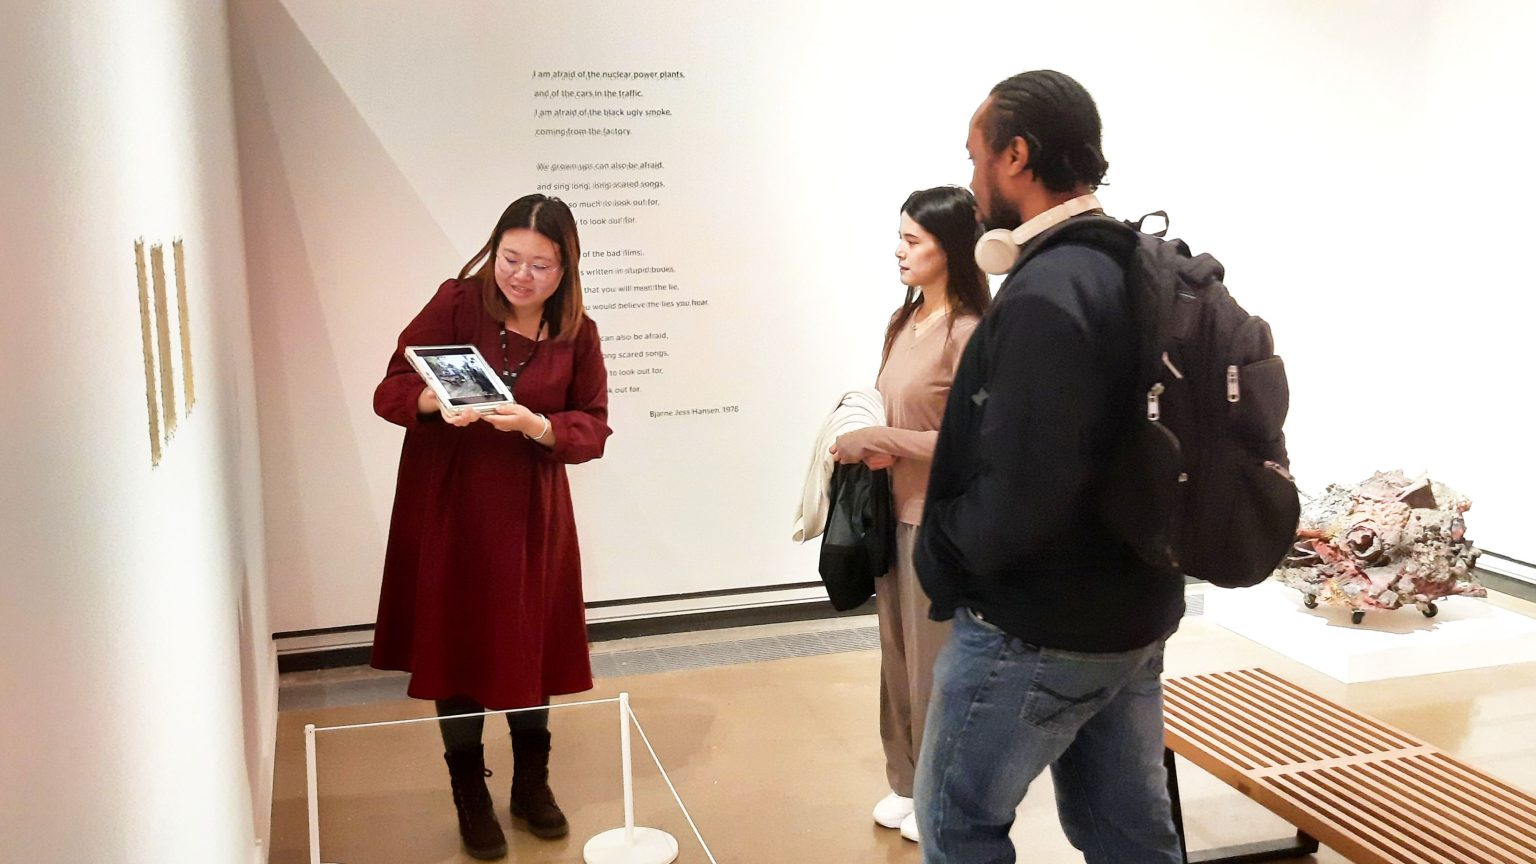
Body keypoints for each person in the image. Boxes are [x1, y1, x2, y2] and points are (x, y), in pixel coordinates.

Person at [912, 71, 1185, 863]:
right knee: (1129, 835)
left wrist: (946, 552)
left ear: (1017, 156)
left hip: (1034, 627)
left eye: (975, 158)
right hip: (1131, 610)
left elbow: (1023, 490)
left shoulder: (1047, 291)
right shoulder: (1133, 260)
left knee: (957, 825)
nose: (970, 181)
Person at [371, 194, 611, 860]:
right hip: (448, 505)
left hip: (530, 515)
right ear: (493, 251)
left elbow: (592, 426)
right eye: (511, 258)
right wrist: (434, 399)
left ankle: (531, 785)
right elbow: (389, 388)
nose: (521, 276)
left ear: (566, 269)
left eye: (540, 264)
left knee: (528, 645)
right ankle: (470, 796)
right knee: (458, 646)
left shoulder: (578, 333)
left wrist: (539, 426)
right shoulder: (457, 301)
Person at [830, 186, 990, 844]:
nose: (899, 250)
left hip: (939, 521)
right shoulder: (904, 322)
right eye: (900, 236)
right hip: (889, 514)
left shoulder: (970, 332)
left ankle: (940, 793)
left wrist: (884, 442)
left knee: (936, 669)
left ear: (949, 249)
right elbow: (890, 406)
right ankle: (906, 779)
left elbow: (973, 447)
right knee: (894, 657)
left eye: (913, 240)